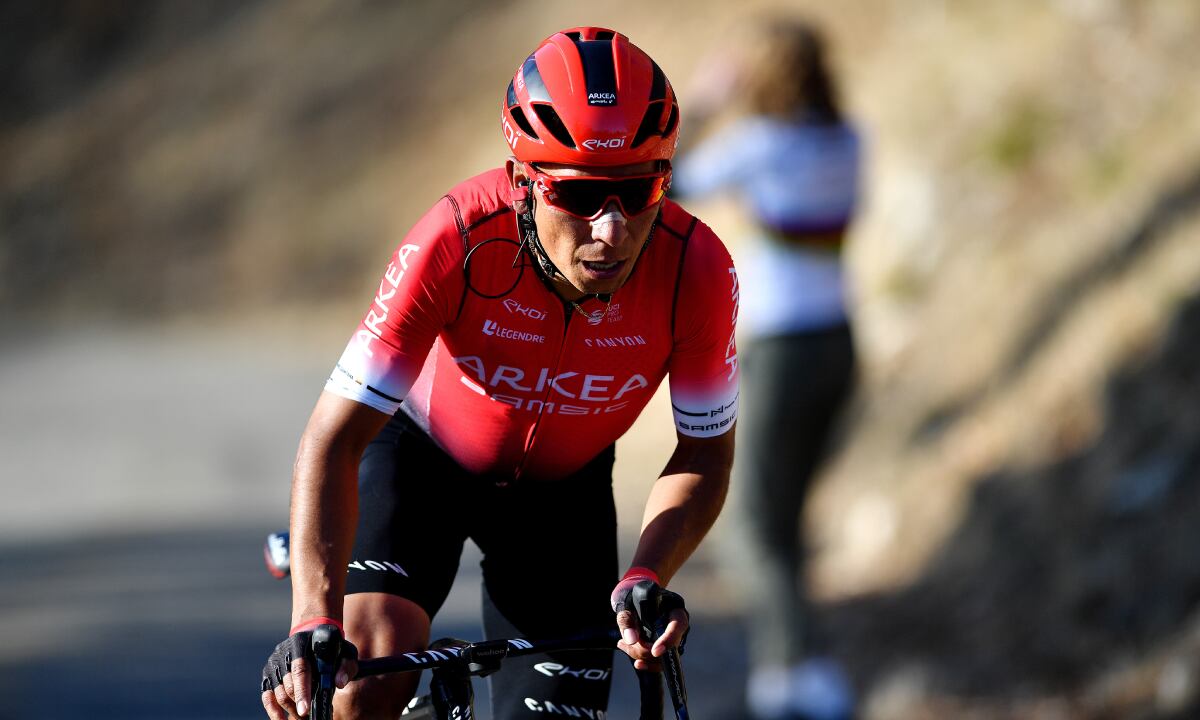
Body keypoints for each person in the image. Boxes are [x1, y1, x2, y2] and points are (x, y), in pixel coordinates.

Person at [260, 26, 740, 720]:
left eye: (640, 191)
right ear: (523, 181)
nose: (612, 229)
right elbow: (334, 438)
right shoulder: (454, 238)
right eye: (579, 198)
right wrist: (313, 618)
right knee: (362, 678)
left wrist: (647, 573)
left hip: (561, 502)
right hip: (419, 464)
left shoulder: (697, 270)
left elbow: (704, 451)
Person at [671, 16, 862, 720]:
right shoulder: (848, 139)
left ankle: (797, 672)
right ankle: (790, 673)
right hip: (839, 342)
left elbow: (670, 176)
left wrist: (706, 100)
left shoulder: (760, 147)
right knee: (786, 518)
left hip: (780, 347)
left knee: (753, 523)